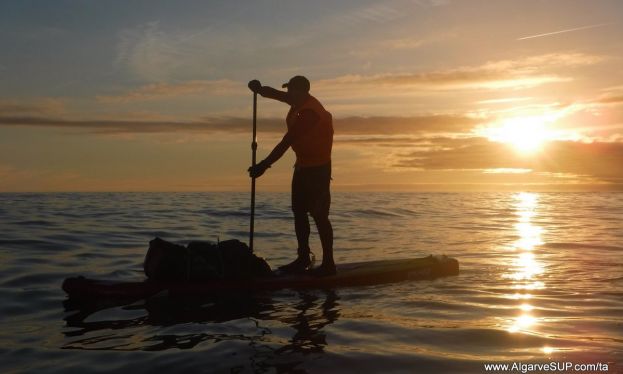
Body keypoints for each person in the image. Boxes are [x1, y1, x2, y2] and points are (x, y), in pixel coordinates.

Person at [247, 76, 335, 277]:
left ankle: (329, 264)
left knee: (319, 216)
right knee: (299, 212)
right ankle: (303, 258)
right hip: (302, 166)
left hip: (319, 170)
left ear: (302, 91)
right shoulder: (296, 101)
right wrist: (260, 89)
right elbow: (276, 95)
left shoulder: (310, 113)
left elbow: (287, 141)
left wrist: (263, 165)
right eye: (289, 91)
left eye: (292, 91)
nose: (288, 95)